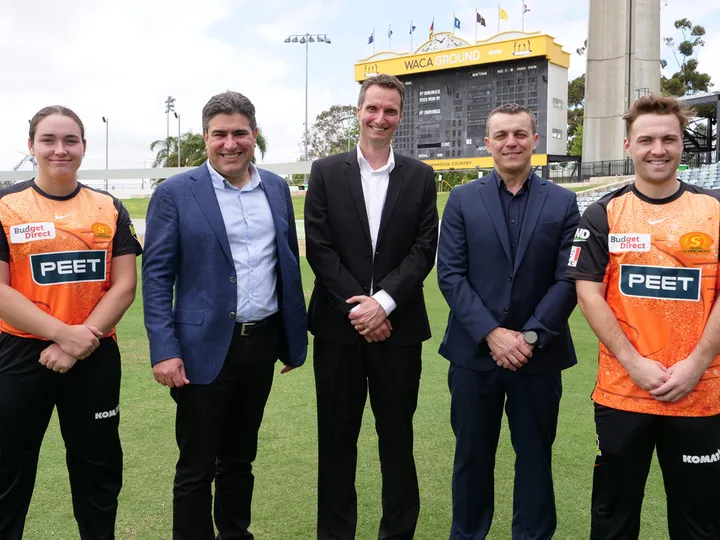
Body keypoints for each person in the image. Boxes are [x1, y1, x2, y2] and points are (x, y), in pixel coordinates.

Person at [142, 91, 307, 540]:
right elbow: (157, 278)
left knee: (239, 459)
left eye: (239, 133)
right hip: (199, 351)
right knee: (196, 467)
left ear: (254, 135)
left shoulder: (274, 187)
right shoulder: (175, 193)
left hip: (261, 346)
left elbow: (286, 263)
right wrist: (163, 350)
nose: (229, 143)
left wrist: (294, 340)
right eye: (220, 134)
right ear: (205, 138)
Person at [569, 95, 720, 539]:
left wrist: (695, 364)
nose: (658, 149)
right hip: (623, 393)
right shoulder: (604, 213)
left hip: (701, 393)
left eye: (668, 139)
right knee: (614, 518)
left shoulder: (713, 211)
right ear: (628, 145)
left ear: (681, 145)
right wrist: (634, 362)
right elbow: (588, 292)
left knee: (701, 523)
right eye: (647, 140)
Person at [305, 73, 438, 540]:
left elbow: (424, 249)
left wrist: (382, 304)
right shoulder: (325, 171)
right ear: (359, 110)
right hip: (339, 331)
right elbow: (319, 249)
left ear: (399, 117)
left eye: (390, 110)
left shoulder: (421, 176)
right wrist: (360, 311)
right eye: (373, 108)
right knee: (337, 441)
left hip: (398, 332)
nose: (380, 118)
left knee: (397, 440)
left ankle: (397, 532)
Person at [437, 103, 579, 539]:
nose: (511, 142)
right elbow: (451, 274)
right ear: (488, 143)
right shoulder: (462, 199)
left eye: (520, 134)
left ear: (535, 142)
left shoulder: (563, 200)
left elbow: (569, 278)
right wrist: (493, 335)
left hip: (538, 358)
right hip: (474, 355)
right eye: (501, 135)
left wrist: (530, 336)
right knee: (472, 458)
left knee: (535, 458)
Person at [0, 105, 142, 540]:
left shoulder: (107, 206)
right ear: (31, 146)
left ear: (83, 147)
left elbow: (123, 286)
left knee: (97, 468)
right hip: (21, 354)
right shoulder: (6, 205)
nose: (60, 150)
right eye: (49, 140)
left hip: (95, 352)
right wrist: (62, 335)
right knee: (9, 471)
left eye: (70, 141)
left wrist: (80, 341)